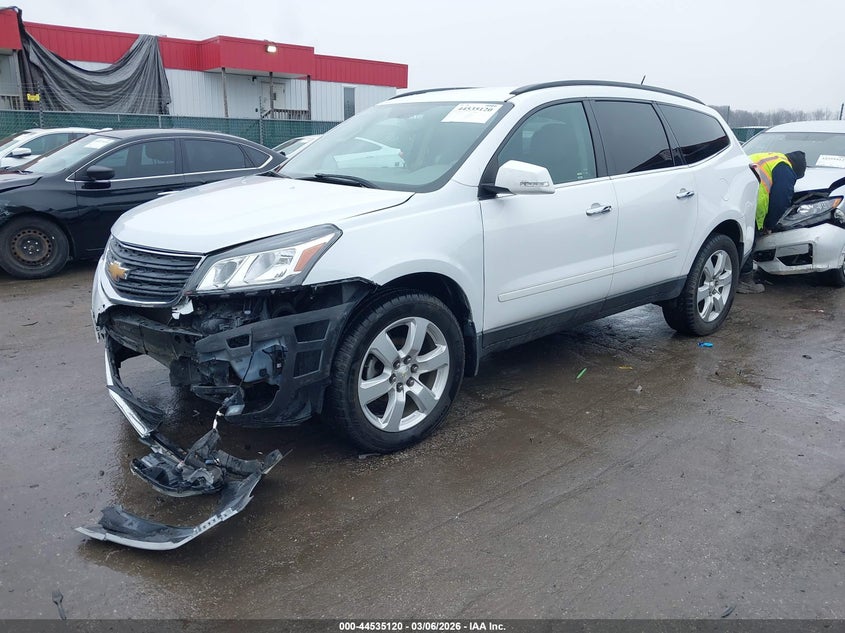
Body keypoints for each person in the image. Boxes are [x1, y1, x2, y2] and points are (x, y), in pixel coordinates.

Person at [737, 150, 807, 293]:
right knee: (749, 242)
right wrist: (770, 224)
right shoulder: (785, 169)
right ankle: (744, 281)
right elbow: (780, 201)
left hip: (734, 196)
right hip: (751, 203)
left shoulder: (771, 157)